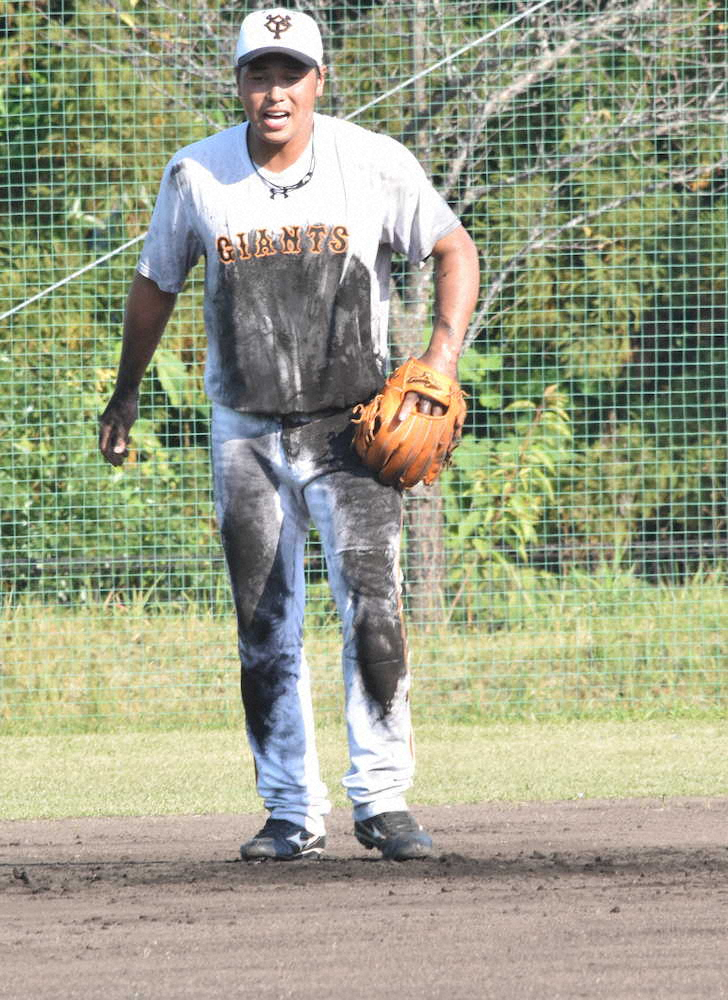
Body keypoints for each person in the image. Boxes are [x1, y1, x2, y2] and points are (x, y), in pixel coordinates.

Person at [99, 6, 479, 861]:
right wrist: (125, 393)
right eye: (259, 74)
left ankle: (382, 800)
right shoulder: (196, 173)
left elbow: (455, 249)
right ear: (238, 83)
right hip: (246, 433)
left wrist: (442, 357)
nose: (276, 92)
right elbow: (155, 284)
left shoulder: (372, 162)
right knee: (264, 626)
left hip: (353, 432)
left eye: (291, 74)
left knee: (374, 613)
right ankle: (290, 812)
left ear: (318, 81)